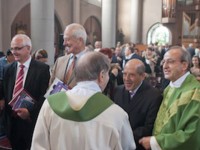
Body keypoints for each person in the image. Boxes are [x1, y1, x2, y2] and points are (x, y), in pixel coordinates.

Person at [31, 52, 136, 150]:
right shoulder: (116, 114)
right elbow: (127, 147)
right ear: (102, 75)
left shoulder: (49, 105)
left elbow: (38, 146)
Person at [139, 46, 200, 150]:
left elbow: (192, 134)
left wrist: (155, 142)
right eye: (164, 62)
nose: (164, 66)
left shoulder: (195, 92)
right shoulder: (170, 87)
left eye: (170, 62)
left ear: (184, 65)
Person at [0, 34, 50, 150]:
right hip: (11, 124)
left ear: (28, 48)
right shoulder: (8, 69)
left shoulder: (42, 69)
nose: (14, 52)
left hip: (31, 123)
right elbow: (5, 92)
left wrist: (30, 113)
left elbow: (43, 97)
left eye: (18, 48)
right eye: (12, 48)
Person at [112, 59, 162, 150]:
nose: (126, 79)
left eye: (131, 75)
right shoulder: (117, 91)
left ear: (142, 76)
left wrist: (122, 137)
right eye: (124, 74)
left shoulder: (154, 96)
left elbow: (149, 127)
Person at [50, 23, 88, 89]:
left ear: (80, 40)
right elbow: (51, 86)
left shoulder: (93, 63)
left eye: (67, 39)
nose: (64, 43)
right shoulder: (59, 61)